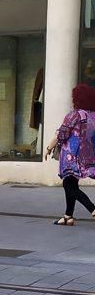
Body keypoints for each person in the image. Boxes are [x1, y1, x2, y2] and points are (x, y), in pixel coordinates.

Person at [45, 84, 95, 225]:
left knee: (68, 185)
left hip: (71, 156)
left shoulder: (75, 115)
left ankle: (92, 208)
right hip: (86, 155)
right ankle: (68, 216)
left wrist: (49, 147)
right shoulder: (93, 115)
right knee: (71, 183)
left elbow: (61, 134)